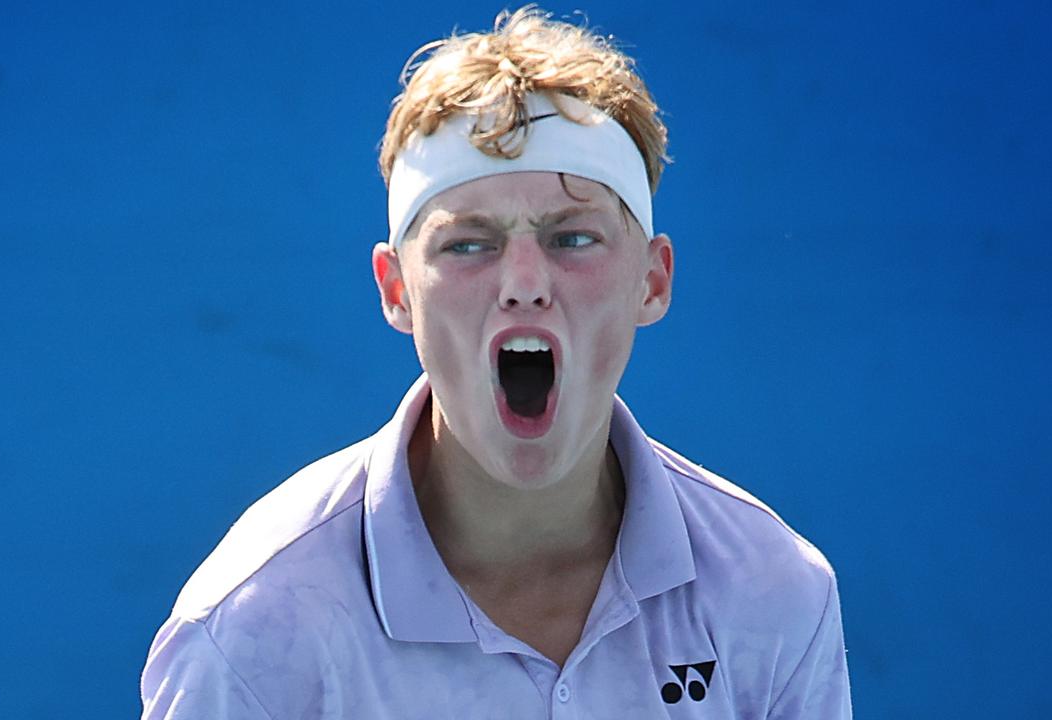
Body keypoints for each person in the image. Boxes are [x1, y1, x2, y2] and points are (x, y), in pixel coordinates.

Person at [140, 7, 852, 718]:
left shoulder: (775, 591)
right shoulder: (252, 627)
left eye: (572, 239)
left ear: (653, 279)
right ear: (397, 291)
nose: (523, 282)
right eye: (467, 244)